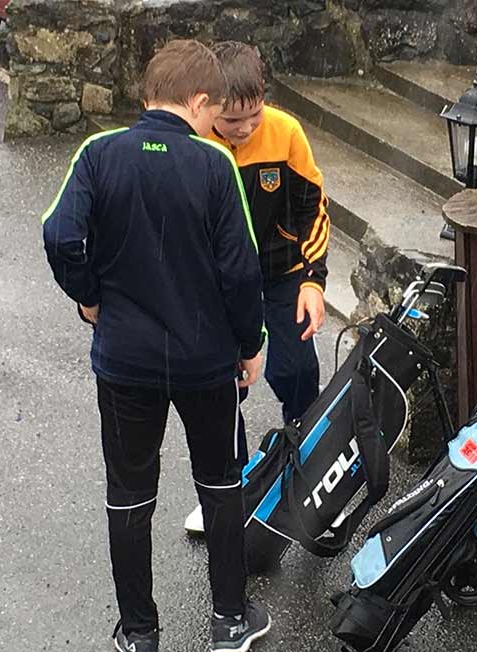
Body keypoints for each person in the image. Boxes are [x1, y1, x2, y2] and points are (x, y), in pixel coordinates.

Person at [42, 39, 271, 652]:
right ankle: (229, 620)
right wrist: (250, 347)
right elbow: (241, 272)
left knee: (130, 494)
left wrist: (89, 298)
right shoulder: (214, 165)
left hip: (126, 363)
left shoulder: (97, 154)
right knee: (222, 486)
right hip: (206, 364)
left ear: (147, 96)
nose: (215, 124)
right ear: (198, 102)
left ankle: (140, 634)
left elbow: (59, 234)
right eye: (213, 111)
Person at [184, 40, 332, 536]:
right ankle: (229, 491)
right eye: (232, 122)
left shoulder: (286, 132)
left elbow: (314, 207)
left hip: (284, 273)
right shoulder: (197, 145)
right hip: (219, 285)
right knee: (222, 391)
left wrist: (313, 279)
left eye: (254, 115)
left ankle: (306, 475)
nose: (245, 129)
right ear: (207, 108)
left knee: (298, 372)